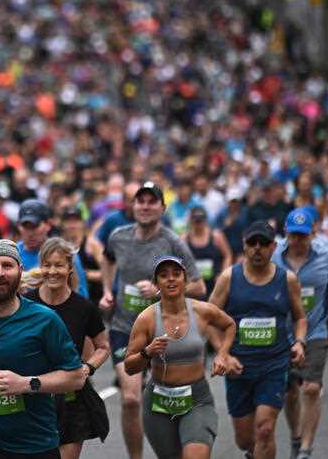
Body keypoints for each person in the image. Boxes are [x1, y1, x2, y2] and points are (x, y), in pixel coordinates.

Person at [0, 239, 87, 458]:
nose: (0, 273)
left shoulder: (45, 320)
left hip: (35, 445)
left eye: (8, 265)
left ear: (20, 270)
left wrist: (26, 383)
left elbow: (76, 377)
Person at [99, 181, 202, 459]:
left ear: (162, 207)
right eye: (140, 201)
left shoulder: (172, 241)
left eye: (151, 202)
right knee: (131, 399)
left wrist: (160, 290)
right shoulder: (118, 236)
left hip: (163, 331)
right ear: (133, 206)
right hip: (124, 327)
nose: (145, 207)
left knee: (166, 401)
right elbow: (107, 259)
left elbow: (199, 286)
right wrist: (108, 290)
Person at [209, 220, 307, 459]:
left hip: (274, 364)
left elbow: (300, 318)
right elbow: (209, 319)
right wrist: (224, 354)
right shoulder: (228, 277)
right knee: (245, 440)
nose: (257, 248)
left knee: (264, 429)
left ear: (274, 247)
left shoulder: (287, 280)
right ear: (244, 245)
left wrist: (299, 342)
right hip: (238, 367)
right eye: (252, 243)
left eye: (263, 243)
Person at [124, 255, 239, 459]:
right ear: (156, 283)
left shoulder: (202, 311)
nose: (170, 279)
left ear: (185, 280)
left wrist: (222, 354)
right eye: (163, 275)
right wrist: (147, 352)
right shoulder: (147, 318)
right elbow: (130, 367)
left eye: (176, 274)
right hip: (159, 400)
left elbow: (229, 324)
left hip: (197, 398)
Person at [272, 208, 328, 459]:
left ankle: (305, 449)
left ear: (313, 234)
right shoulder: (273, 256)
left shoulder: (327, 257)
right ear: (286, 233)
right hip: (282, 332)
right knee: (289, 391)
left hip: (316, 330)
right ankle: (295, 437)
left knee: (312, 388)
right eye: (293, 235)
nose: (298, 241)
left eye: (303, 236)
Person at [24, 237, 110, 459]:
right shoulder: (25, 304)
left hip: (71, 402)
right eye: (47, 265)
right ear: (40, 266)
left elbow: (103, 347)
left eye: (59, 265)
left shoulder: (83, 308)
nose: (52, 271)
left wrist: (88, 367)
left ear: (70, 268)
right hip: (32, 400)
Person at [16, 199, 89, 299]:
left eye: (34, 227)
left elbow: (81, 294)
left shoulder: (65, 253)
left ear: (48, 225)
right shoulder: (13, 254)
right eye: (25, 227)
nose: (30, 233)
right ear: (18, 225)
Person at [185, 205, 232, 299]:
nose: (198, 224)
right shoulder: (184, 239)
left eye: (200, 220)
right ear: (190, 221)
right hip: (195, 286)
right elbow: (179, 261)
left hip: (214, 284)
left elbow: (228, 255)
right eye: (196, 221)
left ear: (205, 220)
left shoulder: (216, 236)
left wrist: (223, 275)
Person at [60, 206, 103, 305]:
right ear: (62, 224)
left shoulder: (92, 244)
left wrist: (84, 274)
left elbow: (107, 273)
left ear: (82, 223)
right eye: (68, 221)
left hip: (92, 298)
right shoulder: (60, 245)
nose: (72, 225)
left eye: (75, 221)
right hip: (68, 298)